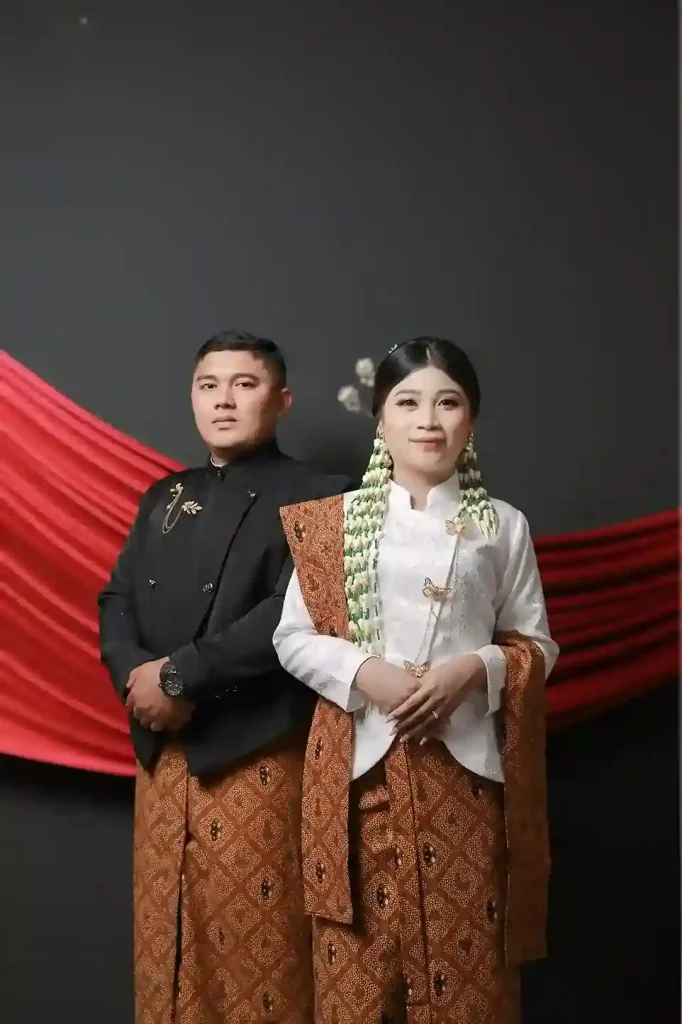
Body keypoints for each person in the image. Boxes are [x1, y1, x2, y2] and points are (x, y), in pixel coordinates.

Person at [273, 336, 559, 1023]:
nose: (428, 420)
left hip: (468, 779)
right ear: (381, 418)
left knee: (470, 982)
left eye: (448, 402)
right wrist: (366, 672)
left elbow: (537, 645)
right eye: (408, 403)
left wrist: (472, 669)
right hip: (357, 779)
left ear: (472, 419)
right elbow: (291, 637)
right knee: (358, 986)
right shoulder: (334, 524)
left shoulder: (503, 526)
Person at [98, 330, 349, 1024]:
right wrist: (137, 680)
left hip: (255, 755)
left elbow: (298, 610)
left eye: (245, 384)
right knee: (166, 949)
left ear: (282, 400)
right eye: (209, 386)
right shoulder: (164, 495)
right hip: (163, 759)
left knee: (257, 956)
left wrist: (180, 678)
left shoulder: (323, 495)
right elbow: (117, 600)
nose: (224, 400)